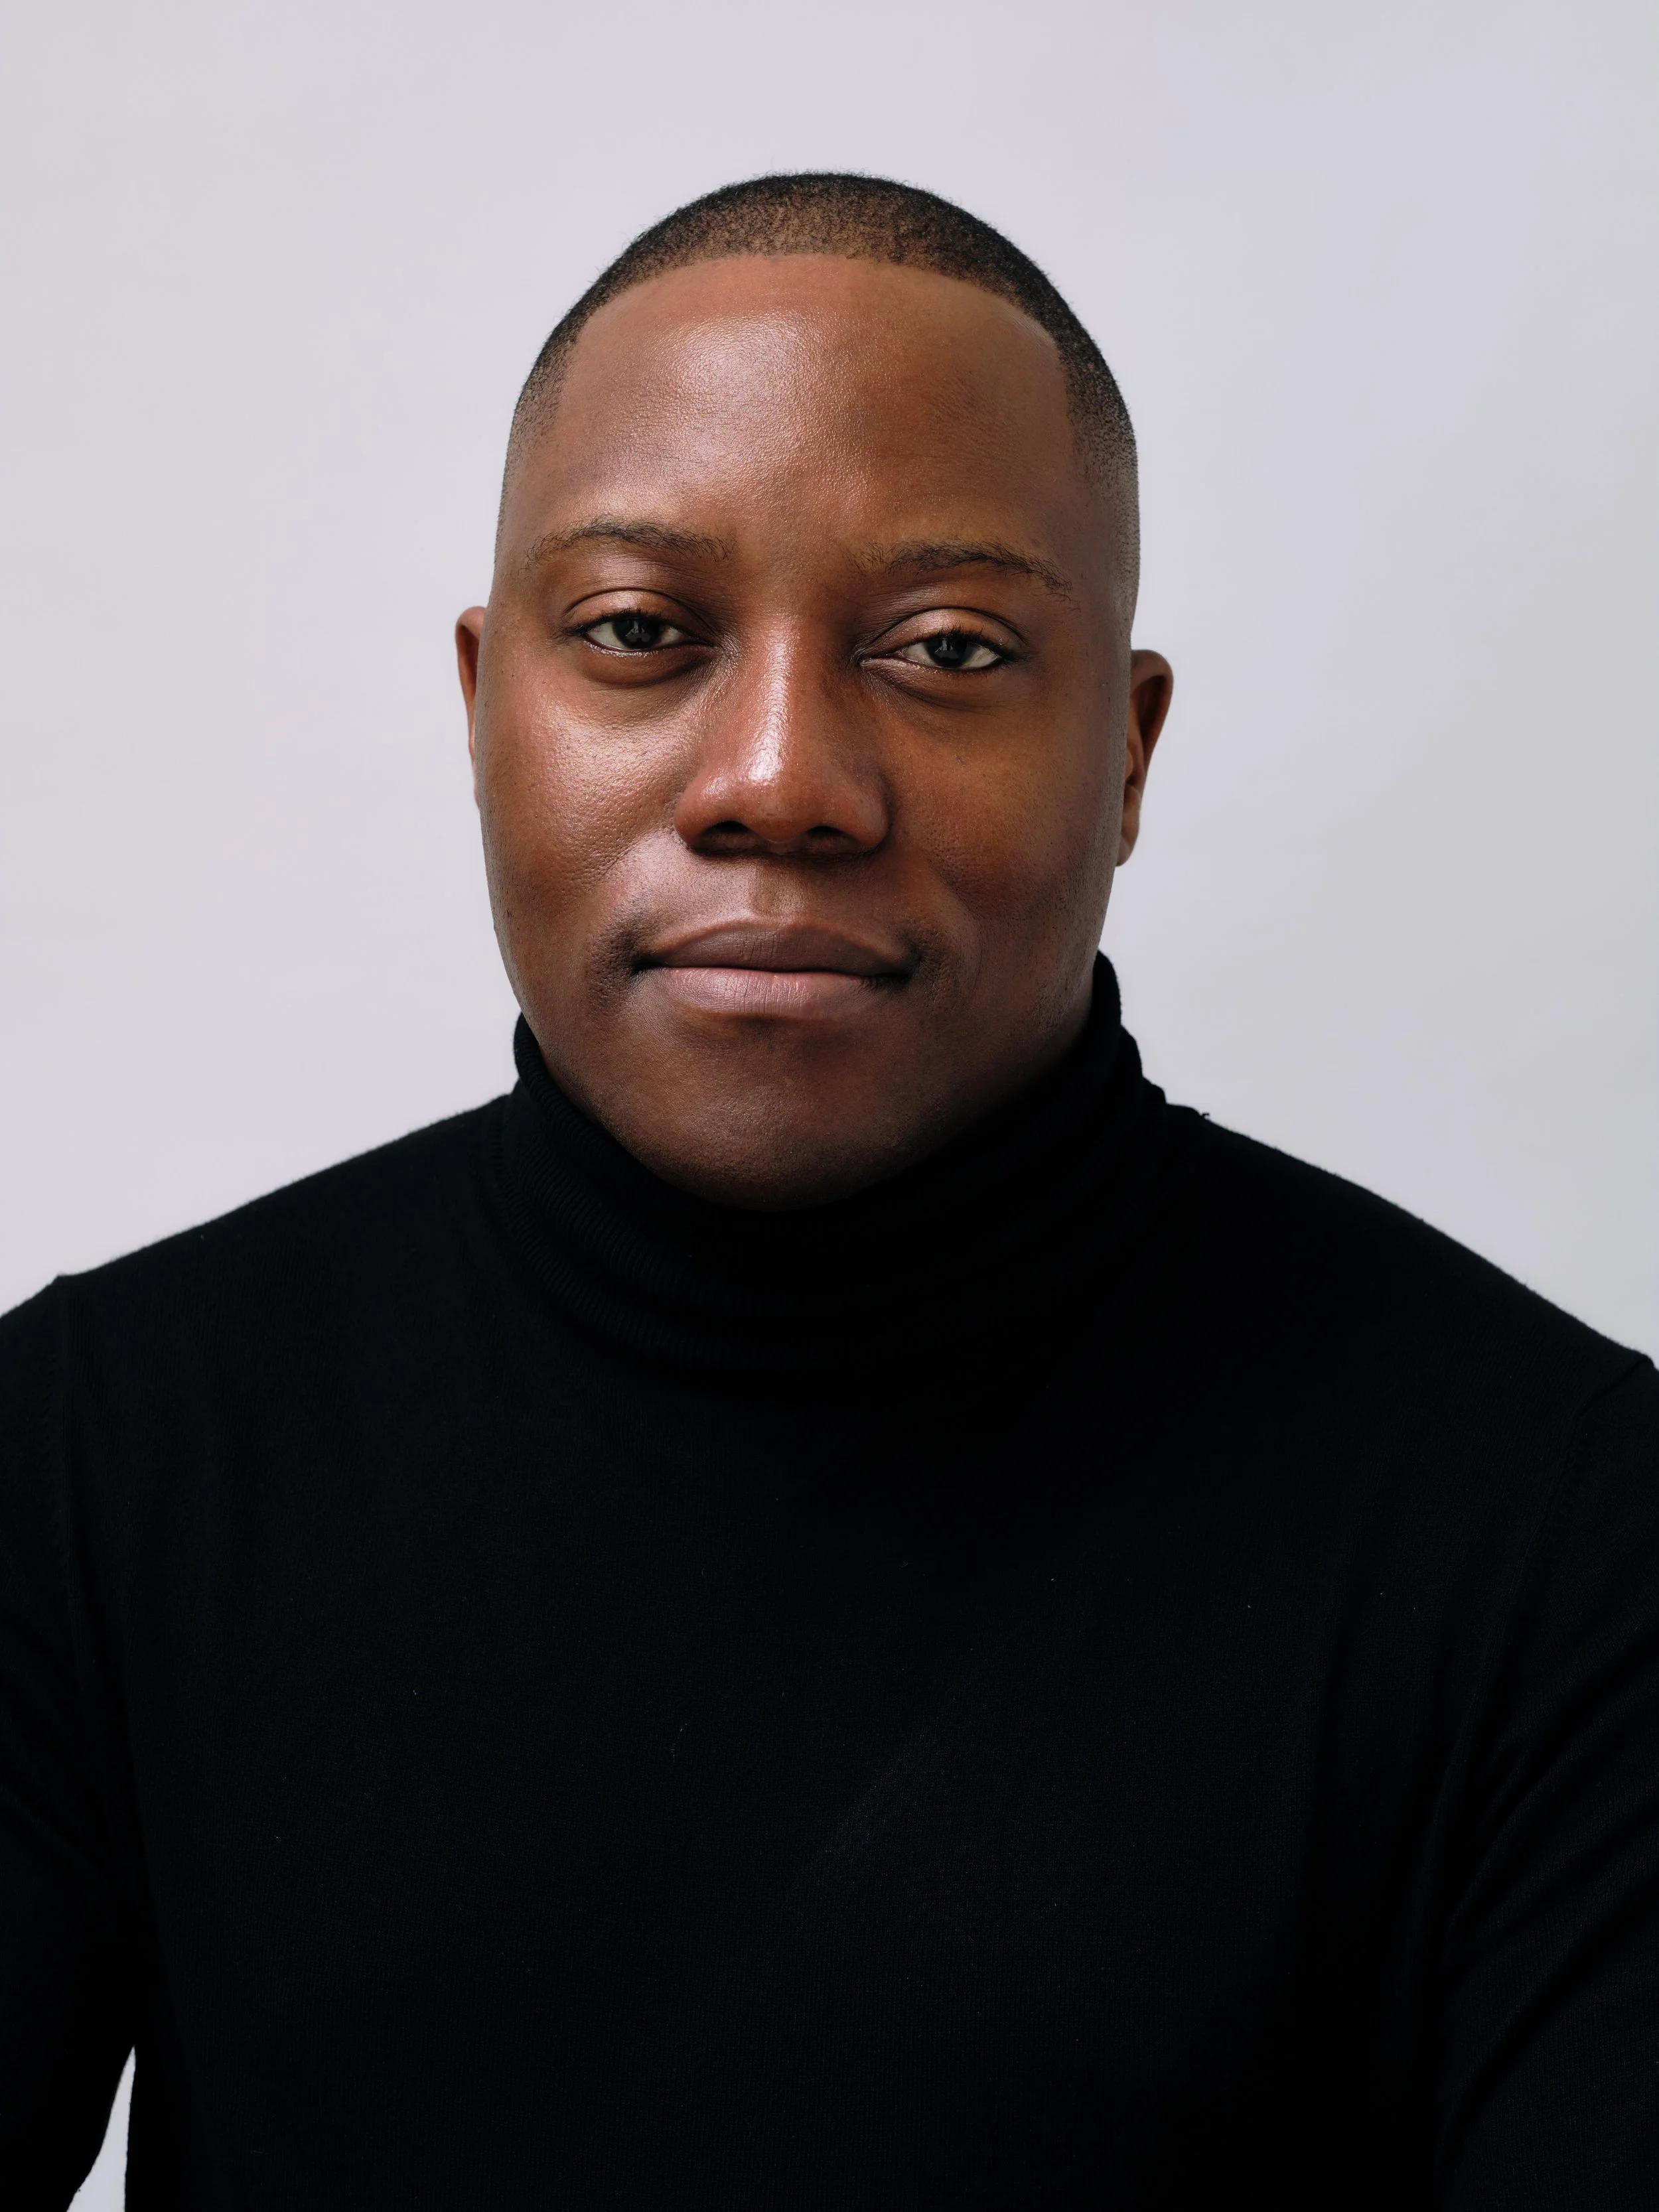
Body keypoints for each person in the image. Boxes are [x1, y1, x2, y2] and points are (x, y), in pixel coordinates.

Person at [3, 173, 1655, 2210]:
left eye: (947, 646)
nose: (777, 773)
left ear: (1125, 754)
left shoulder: (1571, 1536)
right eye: (638, 632)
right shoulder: (96, 1452)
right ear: (481, 704)